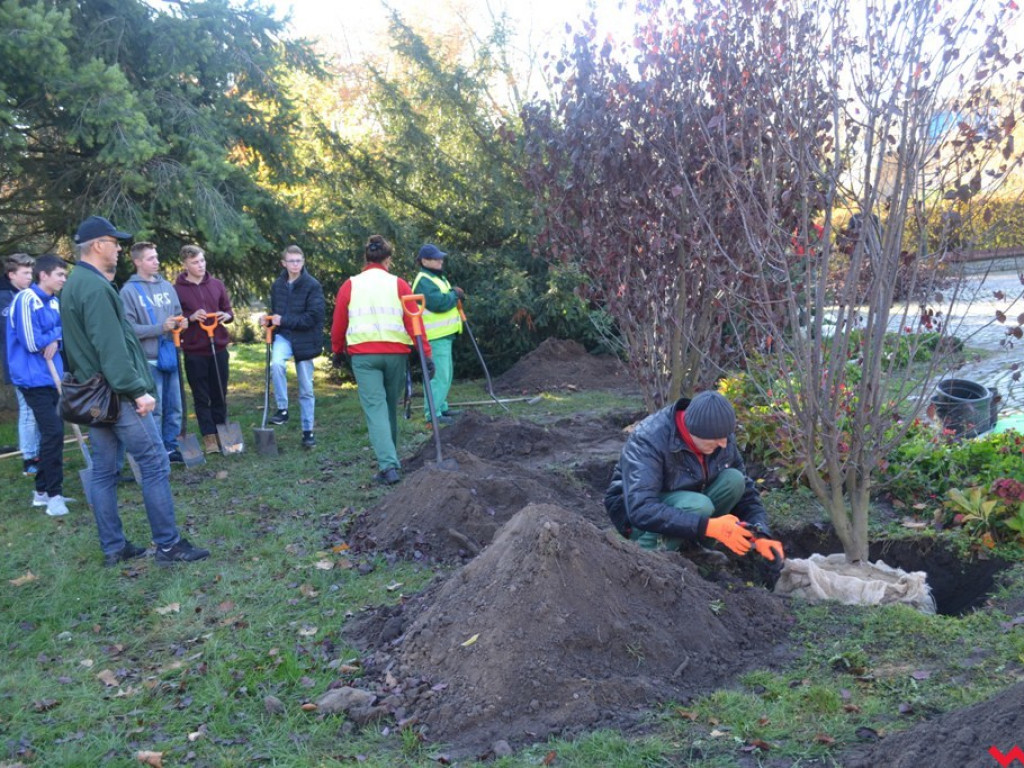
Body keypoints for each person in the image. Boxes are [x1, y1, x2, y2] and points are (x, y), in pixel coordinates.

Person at [62, 215, 209, 566]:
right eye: (114, 243)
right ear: (98, 245)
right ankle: (169, 546)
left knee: (104, 471)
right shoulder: (95, 288)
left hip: (92, 394)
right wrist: (136, 390)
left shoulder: (75, 284)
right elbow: (109, 346)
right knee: (155, 462)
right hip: (115, 393)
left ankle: (114, 547)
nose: (118, 249)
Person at [604, 390, 785, 562]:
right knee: (699, 505)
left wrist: (759, 532)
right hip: (635, 517)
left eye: (726, 437)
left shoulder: (719, 436)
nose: (723, 444)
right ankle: (650, 555)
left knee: (734, 480)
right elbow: (640, 508)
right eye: (716, 439)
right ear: (692, 431)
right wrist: (709, 527)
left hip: (687, 503)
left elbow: (746, 493)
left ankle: (694, 548)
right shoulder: (649, 439)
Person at [330, 234, 431, 485]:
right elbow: (414, 321)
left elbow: (339, 322)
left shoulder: (350, 285)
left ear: (366, 257)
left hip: (364, 356)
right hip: (396, 354)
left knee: (375, 409)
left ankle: (388, 465)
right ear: (388, 259)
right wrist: (426, 354)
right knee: (389, 407)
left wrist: (337, 350)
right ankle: (391, 460)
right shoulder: (399, 284)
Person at [7, 254, 72, 516]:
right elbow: (32, 342)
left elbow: (61, 332)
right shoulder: (26, 300)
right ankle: (53, 496)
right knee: (54, 432)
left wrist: (55, 338)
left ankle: (42, 492)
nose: (63, 279)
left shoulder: (54, 302)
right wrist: (54, 337)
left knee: (54, 433)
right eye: (60, 275)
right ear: (43, 275)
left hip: (52, 375)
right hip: (32, 379)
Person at [120, 242, 187, 463]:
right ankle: (156, 452)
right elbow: (128, 330)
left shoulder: (167, 287)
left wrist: (181, 323)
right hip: (147, 359)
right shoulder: (129, 291)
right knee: (155, 408)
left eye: (156, 257)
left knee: (175, 406)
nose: (156, 262)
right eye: (150, 258)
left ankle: (171, 446)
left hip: (170, 354)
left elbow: (177, 314)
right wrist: (160, 328)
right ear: (137, 261)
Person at [264, 245, 326, 449]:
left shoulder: (312, 285)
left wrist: (284, 320)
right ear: (283, 263)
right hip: (284, 337)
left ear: (303, 261)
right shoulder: (278, 285)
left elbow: (313, 317)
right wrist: (270, 321)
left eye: (299, 260)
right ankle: (282, 409)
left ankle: (308, 432)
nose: (295, 265)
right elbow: (277, 314)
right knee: (276, 365)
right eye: (291, 261)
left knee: (306, 388)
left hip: (305, 339)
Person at [174, 244, 234, 454]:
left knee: (219, 390)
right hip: (194, 349)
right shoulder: (177, 289)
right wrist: (190, 318)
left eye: (202, 261)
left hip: (217, 346)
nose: (200, 265)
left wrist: (227, 316)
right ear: (185, 264)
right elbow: (176, 318)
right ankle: (208, 437)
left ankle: (222, 431)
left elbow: (227, 309)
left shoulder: (216, 284)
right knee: (201, 395)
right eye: (194, 263)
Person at [411, 243, 464, 425]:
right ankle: (433, 415)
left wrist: (452, 293)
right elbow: (439, 303)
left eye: (440, 257)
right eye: (436, 258)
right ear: (424, 261)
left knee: (445, 375)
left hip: (443, 335)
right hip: (434, 336)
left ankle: (441, 408)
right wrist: (454, 295)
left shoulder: (435, 277)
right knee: (439, 376)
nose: (441, 260)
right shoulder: (424, 280)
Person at [1, 253, 40, 476]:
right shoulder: (5, 297)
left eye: (30, 272)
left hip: (37, 363)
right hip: (17, 364)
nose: (29, 277)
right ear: (11, 274)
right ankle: (29, 457)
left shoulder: (31, 293)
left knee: (42, 410)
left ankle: (40, 452)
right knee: (27, 411)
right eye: (25, 273)